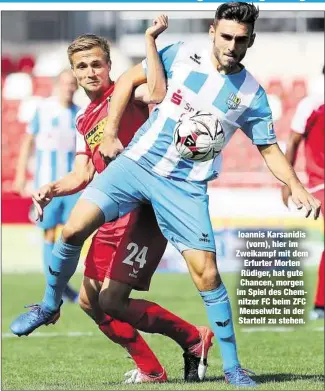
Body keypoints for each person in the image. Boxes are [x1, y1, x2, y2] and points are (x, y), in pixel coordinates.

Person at [11, 3, 321, 387]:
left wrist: (295, 185)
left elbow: (269, 148)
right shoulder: (181, 55)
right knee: (73, 230)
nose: (231, 45)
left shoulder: (252, 95)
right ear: (212, 32)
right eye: (225, 36)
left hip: (184, 186)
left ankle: (233, 367)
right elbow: (128, 83)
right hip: (137, 164)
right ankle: (48, 304)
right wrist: (109, 135)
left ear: (251, 41)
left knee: (206, 273)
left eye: (241, 40)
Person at [11, 16, 214, 384]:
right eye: (82, 66)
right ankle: (151, 370)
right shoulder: (84, 120)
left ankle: (191, 337)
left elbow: (155, 91)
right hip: (109, 214)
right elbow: (83, 173)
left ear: (109, 66)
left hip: (142, 211)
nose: (90, 72)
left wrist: (150, 40)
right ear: (73, 72)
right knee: (91, 302)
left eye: (96, 64)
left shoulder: (127, 93)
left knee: (112, 301)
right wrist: (52, 188)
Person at [12, 69, 80, 303]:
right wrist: (21, 175)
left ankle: (62, 283)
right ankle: (56, 286)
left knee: (73, 233)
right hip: (46, 185)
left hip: (72, 185)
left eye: (73, 84)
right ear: (57, 85)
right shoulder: (43, 111)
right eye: (65, 83)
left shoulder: (79, 115)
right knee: (50, 233)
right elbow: (27, 142)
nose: (69, 87)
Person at [281, 67, 324, 320]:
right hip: (322, 183)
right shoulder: (312, 104)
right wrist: (287, 182)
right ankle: (320, 304)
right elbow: (294, 141)